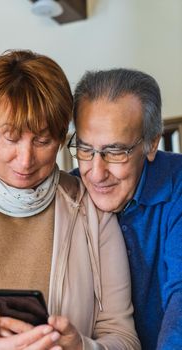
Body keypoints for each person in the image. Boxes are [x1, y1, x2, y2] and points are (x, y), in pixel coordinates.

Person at [0, 50, 140, 350]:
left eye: (42, 140)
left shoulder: (92, 213)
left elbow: (125, 339)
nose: (25, 161)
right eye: (11, 138)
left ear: (62, 138)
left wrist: (81, 347)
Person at [66, 68, 182, 350]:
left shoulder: (178, 185)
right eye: (85, 149)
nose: (95, 172)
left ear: (151, 144)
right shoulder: (68, 192)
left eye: (115, 152)